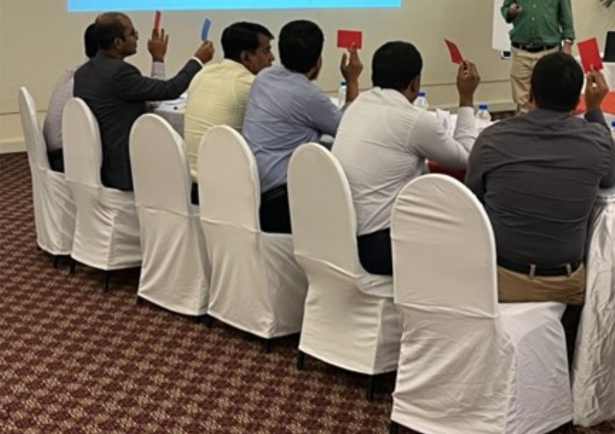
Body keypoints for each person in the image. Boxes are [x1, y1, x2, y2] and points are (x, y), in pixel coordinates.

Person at [465, 52, 615, 305]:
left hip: (500, 279)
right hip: (566, 284)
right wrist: (594, 111)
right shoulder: (596, 141)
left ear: (529, 94)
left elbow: (471, 198)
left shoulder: (493, 139)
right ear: (575, 101)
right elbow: (611, 176)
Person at [332, 41, 481, 276]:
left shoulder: (358, 104)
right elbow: (466, 158)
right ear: (415, 82)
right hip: (378, 246)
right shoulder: (414, 119)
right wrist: (466, 98)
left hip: (342, 239)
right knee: (467, 236)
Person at [242, 20, 362, 234]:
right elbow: (348, 129)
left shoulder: (263, 78)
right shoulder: (309, 96)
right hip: (284, 201)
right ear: (318, 61)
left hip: (254, 190)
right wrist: (352, 81)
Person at [73, 12, 214, 191]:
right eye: (133, 34)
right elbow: (171, 89)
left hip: (98, 164)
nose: (138, 38)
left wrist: (158, 58)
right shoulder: (120, 74)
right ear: (118, 42)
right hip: (127, 167)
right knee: (191, 175)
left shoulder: (83, 73)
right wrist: (198, 60)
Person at [43, 23, 168, 173]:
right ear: (115, 44)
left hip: (60, 151)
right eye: (132, 34)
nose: (137, 38)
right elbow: (155, 101)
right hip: (69, 158)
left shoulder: (78, 71)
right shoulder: (103, 78)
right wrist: (158, 59)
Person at [184, 22, 275, 198]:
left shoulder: (202, 73)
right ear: (246, 57)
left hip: (190, 185)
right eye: (266, 51)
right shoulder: (250, 84)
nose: (272, 58)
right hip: (225, 191)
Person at [501, 0, 575, 114]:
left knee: (549, 100)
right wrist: (510, 11)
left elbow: (566, 17)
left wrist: (568, 44)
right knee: (522, 103)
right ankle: (524, 135)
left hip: (548, 52)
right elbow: (505, 11)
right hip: (521, 52)